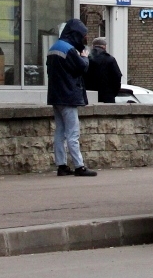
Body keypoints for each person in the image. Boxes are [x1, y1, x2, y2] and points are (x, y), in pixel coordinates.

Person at [47, 19, 97, 177]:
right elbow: (82, 67)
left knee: (60, 133)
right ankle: (79, 166)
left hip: (56, 96)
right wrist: (85, 56)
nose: (83, 39)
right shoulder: (69, 49)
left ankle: (61, 165)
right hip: (68, 96)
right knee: (73, 133)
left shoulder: (54, 48)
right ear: (76, 34)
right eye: (83, 36)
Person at [84, 36, 123, 103]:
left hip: (88, 97)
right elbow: (117, 77)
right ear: (104, 46)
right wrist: (112, 93)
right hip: (107, 97)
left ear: (93, 46)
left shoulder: (86, 58)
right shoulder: (110, 59)